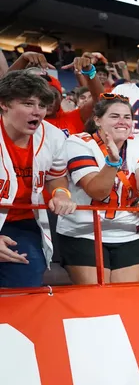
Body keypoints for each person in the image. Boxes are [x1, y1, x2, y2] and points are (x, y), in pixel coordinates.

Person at [56, 95, 139, 284]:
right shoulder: (79, 142)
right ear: (97, 120)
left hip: (129, 232)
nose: (122, 121)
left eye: (127, 117)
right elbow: (97, 191)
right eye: (114, 116)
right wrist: (112, 162)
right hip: (84, 233)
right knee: (95, 300)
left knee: (126, 300)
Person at [0, 71, 76, 288]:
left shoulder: (53, 136)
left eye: (42, 105)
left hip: (23, 222)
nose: (37, 112)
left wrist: (61, 193)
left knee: (27, 278)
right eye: (28, 103)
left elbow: (57, 176)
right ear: (4, 104)